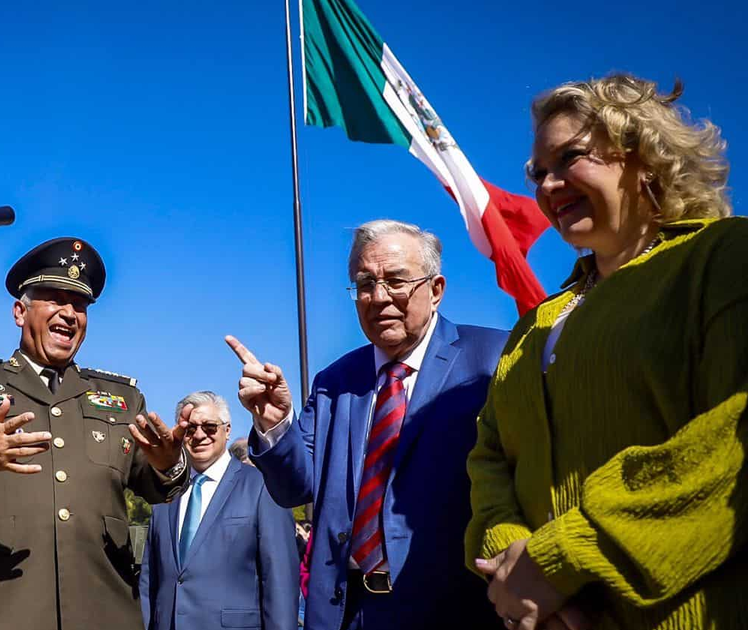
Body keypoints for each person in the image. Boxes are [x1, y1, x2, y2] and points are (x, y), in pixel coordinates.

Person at [467, 74, 747, 630]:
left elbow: (735, 437)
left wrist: (560, 561)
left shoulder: (724, 257)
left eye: (569, 158)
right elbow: (489, 457)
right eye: (537, 172)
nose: (547, 186)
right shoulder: (536, 324)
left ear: (645, 155)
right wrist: (512, 562)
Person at [229, 219, 508, 629]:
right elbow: (295, 488)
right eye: (364, 284)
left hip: (453, 609)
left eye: (396, 280)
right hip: (346, 611)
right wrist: (274, 423)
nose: (378, 297)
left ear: (435, 290)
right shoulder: (335, 382)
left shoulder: (493, 357)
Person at [0, 237, 190, 630]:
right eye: (54, 299)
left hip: (103, 614)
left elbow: (161, 487)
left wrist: (170, 464)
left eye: (80, 305)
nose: (70, 313)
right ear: (20, 312)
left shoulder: (122, 398)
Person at [139, 391, 298, 630]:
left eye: (210, 427)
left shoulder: (262, 486)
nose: (199, 435)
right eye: (190, 429)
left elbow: (280, 581)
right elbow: (149, 580)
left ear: (227, 430)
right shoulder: (164, 492)